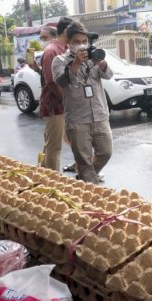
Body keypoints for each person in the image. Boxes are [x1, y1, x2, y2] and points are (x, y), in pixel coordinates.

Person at [52, 22, 114, 184]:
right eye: (77, 41)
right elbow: (62, 82)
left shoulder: (92, 57)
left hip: (100, 115)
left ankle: (84, 181)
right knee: (84, 162)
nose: (81, 44)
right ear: (69, 42)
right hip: (78, 120)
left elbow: (108, 75)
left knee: (105, 152)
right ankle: (92, 194)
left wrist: (101, 62)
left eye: (84, 41)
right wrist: (76, 63)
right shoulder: (59, 61)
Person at [36, 18, 72, 171]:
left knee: (56, 142)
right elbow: (51, 83)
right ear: (66, 31)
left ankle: (41, 172)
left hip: (63, 105)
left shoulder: (66, 49)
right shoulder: (52, 51)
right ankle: (53, 181)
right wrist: (66, 100)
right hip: (55, 106)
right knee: (54, 147)